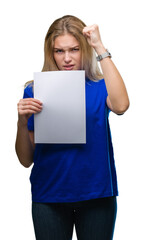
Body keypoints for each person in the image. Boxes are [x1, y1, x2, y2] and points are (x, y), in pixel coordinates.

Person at [15, 15, 129, 240]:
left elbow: (121, 106)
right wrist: (20, 122)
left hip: (96, 194)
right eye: (59, 51)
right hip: (49, 195)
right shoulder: (35, 90)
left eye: (74, 49)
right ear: (51, 52)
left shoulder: (100, 86)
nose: (67, 58)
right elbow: (26, 160)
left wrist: (98, 45)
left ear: (83, 49)